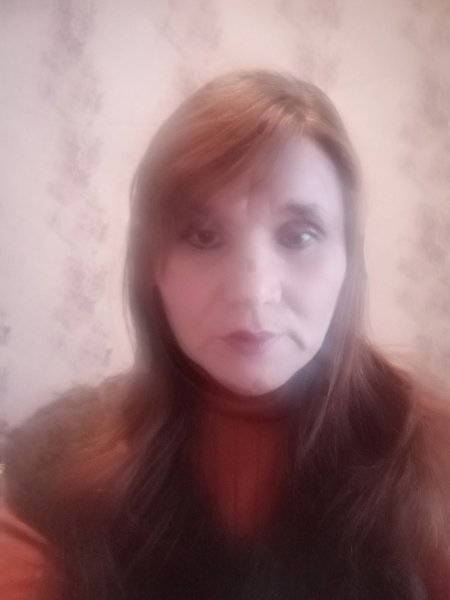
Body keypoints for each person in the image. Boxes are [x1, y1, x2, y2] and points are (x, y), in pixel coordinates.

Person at [1, 70, 450, 600]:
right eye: (204, 235)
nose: (252, 294)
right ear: (152, 266)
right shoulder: (60, 459)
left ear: (348, 260)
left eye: (299, 235)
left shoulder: (431, 455)